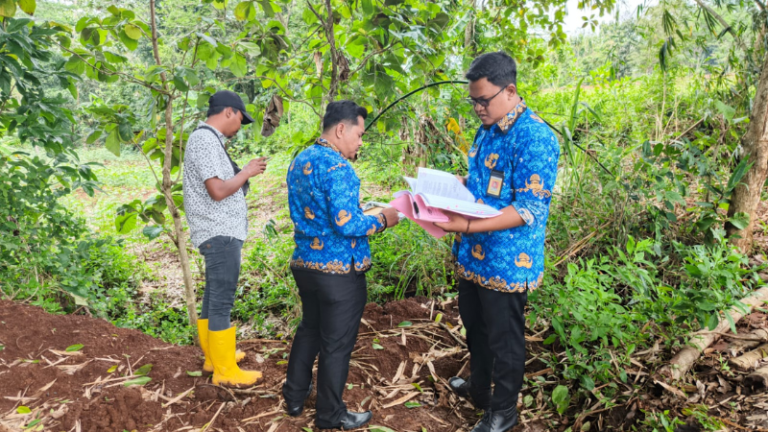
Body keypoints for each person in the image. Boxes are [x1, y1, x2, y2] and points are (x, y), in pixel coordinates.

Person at [434, 52, 560, 432]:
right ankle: (479, 389)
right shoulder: (486, 128)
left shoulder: (535, 136)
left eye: (483, 100)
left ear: (510, 90)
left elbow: (529, 208)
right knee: (475, 326)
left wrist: (469, 226)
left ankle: (503, 411)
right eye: (473, 101)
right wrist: (455, 188)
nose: (476, 109)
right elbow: (483, 186)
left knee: (505, 338)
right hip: (474, 256)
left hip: (508, 260)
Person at [282, 100, 400, 429]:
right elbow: (347, 224)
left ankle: (293, 397)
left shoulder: (300, 160)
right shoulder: (339, 168)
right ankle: (330, 415)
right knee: (336, 345)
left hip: (306, 264)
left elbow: (326, 211)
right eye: (359, 134)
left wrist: (362, 211)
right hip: (338, 273)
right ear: (341, 129)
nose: (361, 142)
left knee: (309, 330)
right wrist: (383, 218)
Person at [183, 90, 268, 387]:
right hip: (220, 231)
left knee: (213, 300)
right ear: (229, 112)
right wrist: (246, 172)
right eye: (241, 120)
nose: (240, 127)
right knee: (221, 302)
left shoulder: (207, 140)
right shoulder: (205, 140)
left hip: (218, 231)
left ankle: (215, 359)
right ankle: (225, 372)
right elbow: (217, 191)